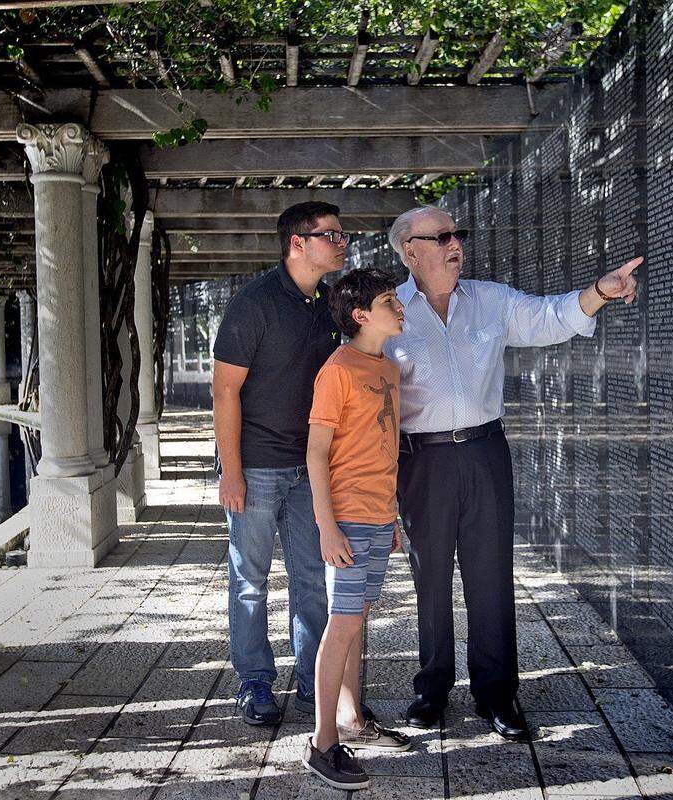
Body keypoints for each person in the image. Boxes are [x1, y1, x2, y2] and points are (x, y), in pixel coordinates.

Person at [384, 205, 641, 740]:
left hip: (484, 453)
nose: (456, 244)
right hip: (420, 461)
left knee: (490, 576)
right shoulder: (390, 314)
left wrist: (600, 290)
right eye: (442, 237)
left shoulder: (491, 300)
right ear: (410, 251)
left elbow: (550, 317)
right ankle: (431, 690)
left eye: (459, 234)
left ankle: (497, 695)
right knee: (428, 578)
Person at [212, 201, 357, 725]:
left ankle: (311, 682)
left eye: (342, 234)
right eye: (332, 235)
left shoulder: (326, 304)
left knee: (311, 579)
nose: (342, 243)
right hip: (254, 465)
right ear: (299, 243)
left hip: (307, 470)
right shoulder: (253, 303)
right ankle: (253, 684)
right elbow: (225, 391)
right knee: (248, 579)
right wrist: (231, 469)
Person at [301, 268, 412, 791]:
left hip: (376, 517)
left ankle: (352, 720)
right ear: (362, 315)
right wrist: (328, 527)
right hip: (344, 519)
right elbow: (317, 452)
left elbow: (384, 449)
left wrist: (389, 516)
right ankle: (322, 745)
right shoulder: (337, 370)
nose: (400, 306)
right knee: (342, 624)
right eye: (391, 300)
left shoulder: (387, 368)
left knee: (357, 618)